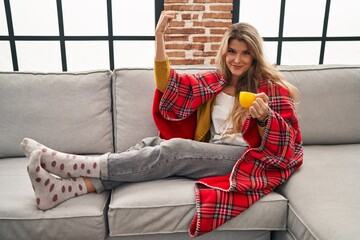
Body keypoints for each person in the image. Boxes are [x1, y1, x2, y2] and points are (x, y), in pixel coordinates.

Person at [22, 11, 303, 237]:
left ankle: (73, 164)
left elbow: (288, 145)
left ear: (254, 55)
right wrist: (159, 38)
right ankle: (68, 189)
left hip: (246, 160)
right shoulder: (215, 81)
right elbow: (169, 84)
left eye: (245, 53)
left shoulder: (270, 88)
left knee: (174, 150)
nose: (237, 59)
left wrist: (266, 118)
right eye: (232, 51)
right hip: (213, 153)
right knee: (150, 145)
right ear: (224, 52)